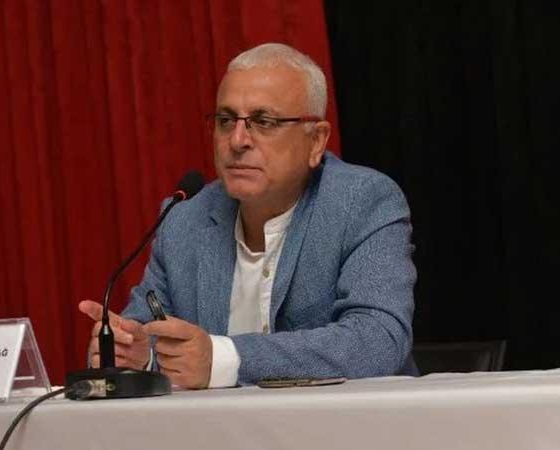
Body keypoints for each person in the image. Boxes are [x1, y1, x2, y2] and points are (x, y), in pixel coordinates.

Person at [79, 43, 417, 389]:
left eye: (264, 122)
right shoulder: (184, 220)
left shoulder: (361, 202)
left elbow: (378, 339)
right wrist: (136, 354)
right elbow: (145, 333)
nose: (237, 140)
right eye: (226, 120)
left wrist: (224, 359)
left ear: (316, 141)